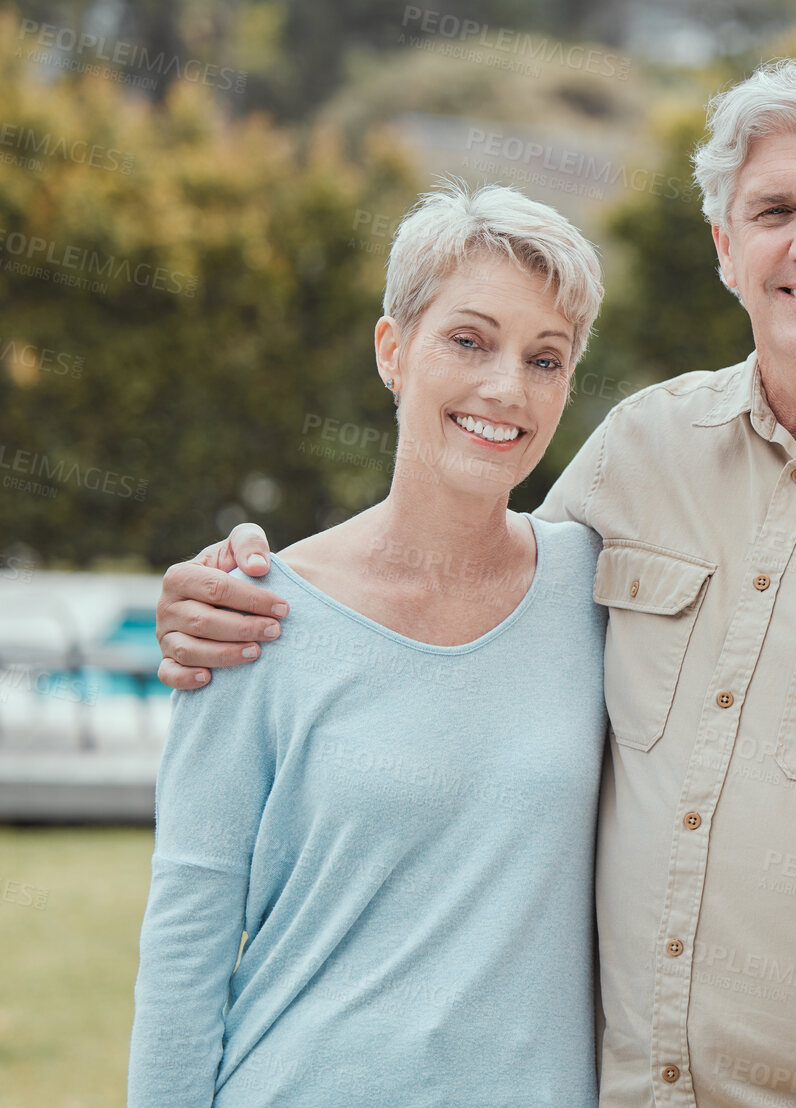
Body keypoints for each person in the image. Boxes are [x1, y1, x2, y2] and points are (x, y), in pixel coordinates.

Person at [152, 60, 796, 1108]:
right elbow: (460, 603)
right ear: (727, 249)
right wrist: (232, 590)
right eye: (773, 209)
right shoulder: (638, 454)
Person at [128, 183, 608, 1105]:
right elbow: (187, 946)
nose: (506, 388)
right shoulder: (253, 612)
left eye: (545, 359)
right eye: (469, 341)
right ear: (394, 350)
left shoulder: (599, 588)